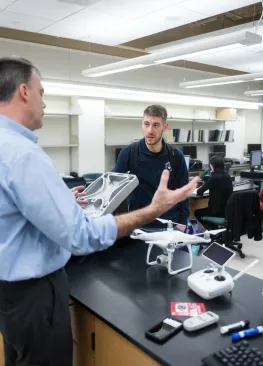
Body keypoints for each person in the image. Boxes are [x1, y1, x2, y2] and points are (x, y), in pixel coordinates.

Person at [0, 57, 198, 366]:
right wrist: (150, 212)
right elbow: (82, 236)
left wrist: (59, 199)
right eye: (42, 92)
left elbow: (14, 207)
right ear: (24, 91)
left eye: (155, 124)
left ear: (164, 127)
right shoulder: (24, 155)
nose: (45, 103)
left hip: (10, 293)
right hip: (34, 295)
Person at [113, 104, 189, 230]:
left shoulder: (176, 156)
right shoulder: (128, 154)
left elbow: (183, 192)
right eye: (146, 124)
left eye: (156, 125)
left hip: (170, 226)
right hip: (139, 226)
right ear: (142, 124)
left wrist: (182, 223)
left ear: (165, 127)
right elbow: (114, 192)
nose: (150, 130)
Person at [194, 155, 233, 228]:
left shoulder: (214, 178)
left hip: (215, 212)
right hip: (227, 211)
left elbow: (199, 191)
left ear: (212, 166)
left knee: (197, 212)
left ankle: (213, 232)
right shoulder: (228, 177)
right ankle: (215, 233)